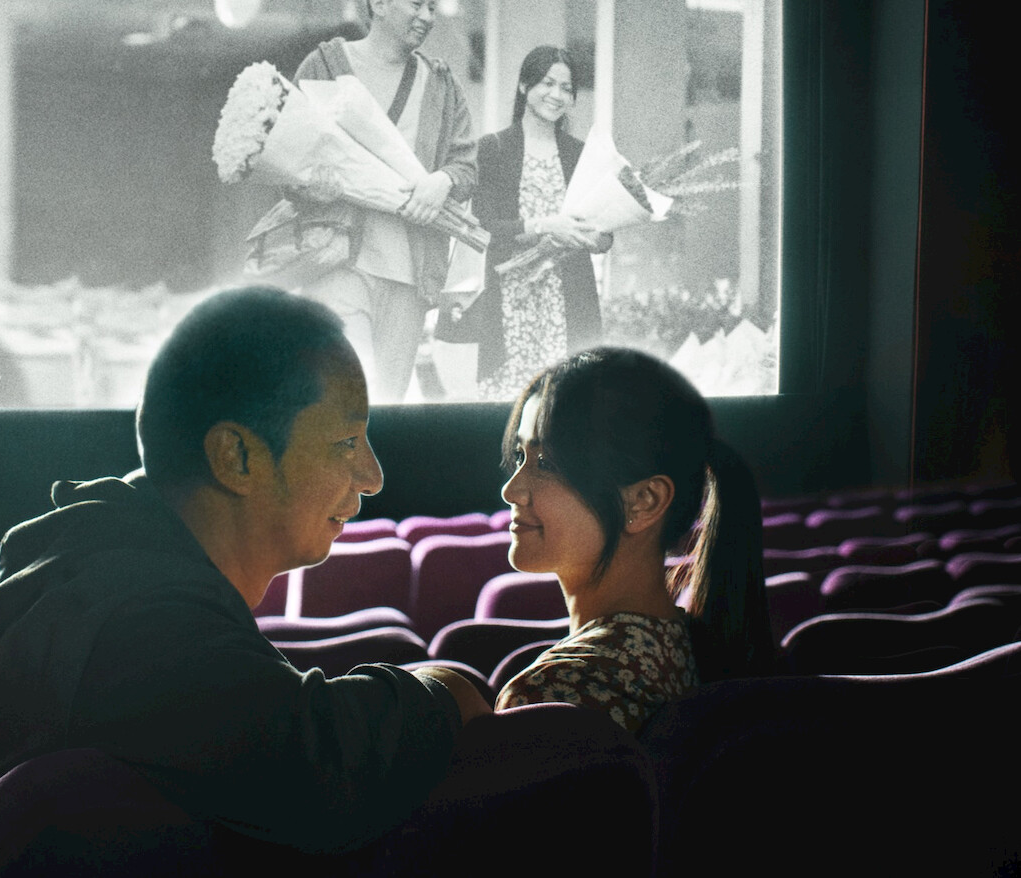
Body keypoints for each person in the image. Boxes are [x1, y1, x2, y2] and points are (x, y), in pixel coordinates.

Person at [0, 286, 490, 857]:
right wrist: (449, 688)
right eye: (347, 441)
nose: (373, 476)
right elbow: (317, 773)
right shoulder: (141, 626)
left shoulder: (111, 576)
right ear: (236, 457)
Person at [490, 347, 771, 733]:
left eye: (546, 463)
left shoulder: (557, 692)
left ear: (644, 501)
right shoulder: (690, 647)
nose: (511, 490)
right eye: (520, 456)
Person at [285, 0, 478, 403]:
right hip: (337, 263)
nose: (426, 17)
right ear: (378, 4)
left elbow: (466, 167)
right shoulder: (324, 67)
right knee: (343, 397)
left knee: (386, 406)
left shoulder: (441, 85)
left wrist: (442, 181)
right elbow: (288, 160)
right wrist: (312, 185)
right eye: (416, 4)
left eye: (432, 7)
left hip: (410, 275)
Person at [442, 46, 612, 400]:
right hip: (513, 298)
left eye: (566, 88)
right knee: (513, 404)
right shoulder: (494, 148)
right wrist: (544, 226)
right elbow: (485, 228)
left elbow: (605, 234)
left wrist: (596, 238)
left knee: (569, 403)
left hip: (569, 295)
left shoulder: (581, 153)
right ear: (524, 86)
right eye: (547, 83)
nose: (557, 95)